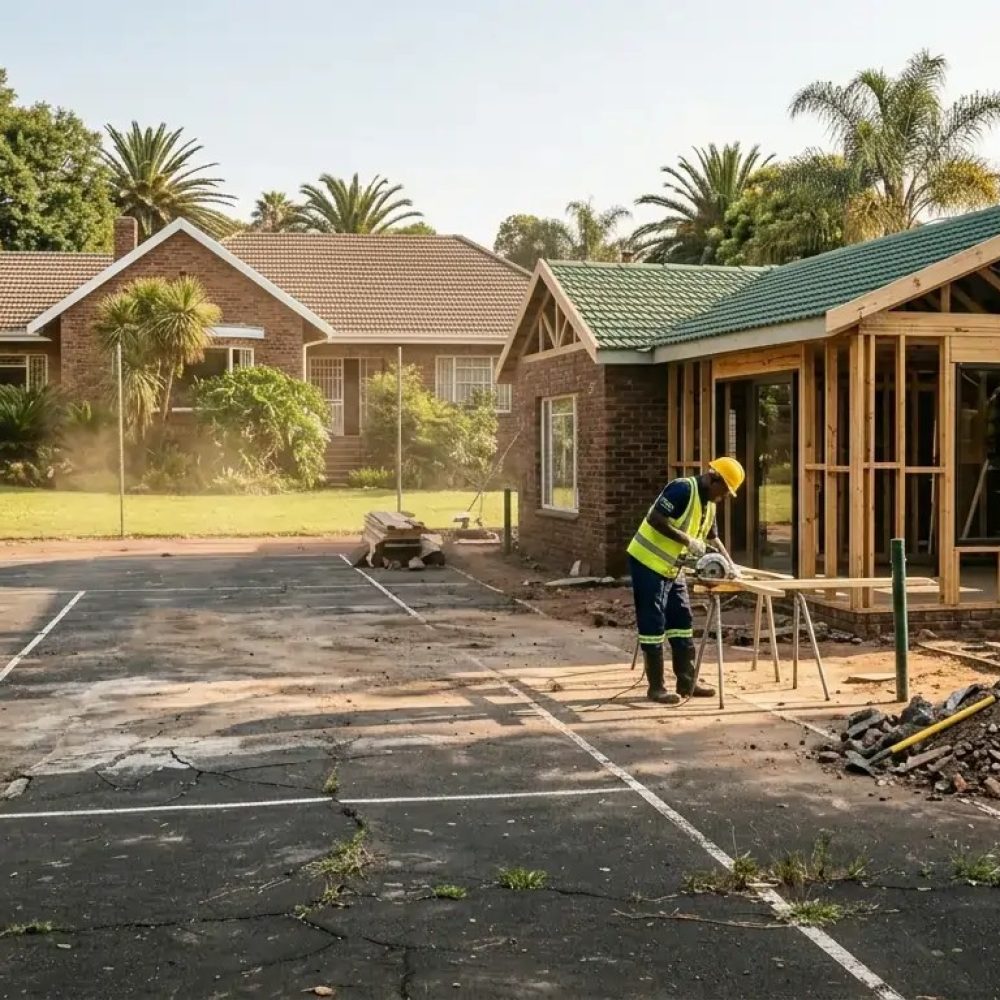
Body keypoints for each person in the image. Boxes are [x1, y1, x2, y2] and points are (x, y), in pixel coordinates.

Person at [627, 457, 745, 704]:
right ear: (714, 479)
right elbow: (655, 519)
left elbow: (713, 538)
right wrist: (687, 541)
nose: (723, 497)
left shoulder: (710, 504)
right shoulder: (682, 489)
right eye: (724, 490)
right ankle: (656, 687)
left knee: (682, 619)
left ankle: (687, 682)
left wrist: (730, 565)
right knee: (653, 622)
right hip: (647, 563)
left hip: (672, 568)